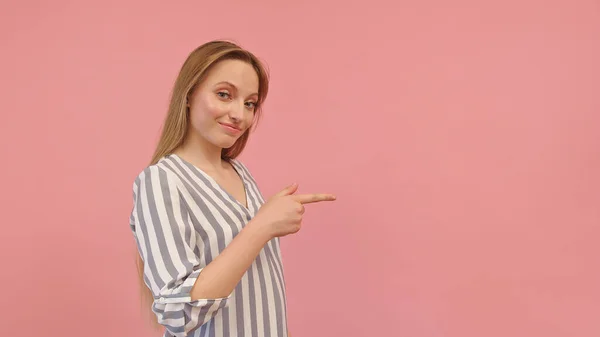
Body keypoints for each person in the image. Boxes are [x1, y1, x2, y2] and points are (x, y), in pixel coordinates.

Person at [128, 40, 336, 337]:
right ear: (188, 95)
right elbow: (178, 312)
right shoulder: (161, 181)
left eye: (250, 103)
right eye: (224, 95)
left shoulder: (241, 173)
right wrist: (262, 226)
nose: (240, 114)